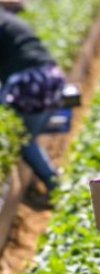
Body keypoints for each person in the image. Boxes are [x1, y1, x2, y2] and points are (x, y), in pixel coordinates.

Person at [0, 8, 65, 207]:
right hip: (50, 77)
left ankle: (53, 185)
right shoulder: (7, 20)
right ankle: (52, 182)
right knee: (27, 138)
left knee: (23, 139)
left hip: (30, 83)